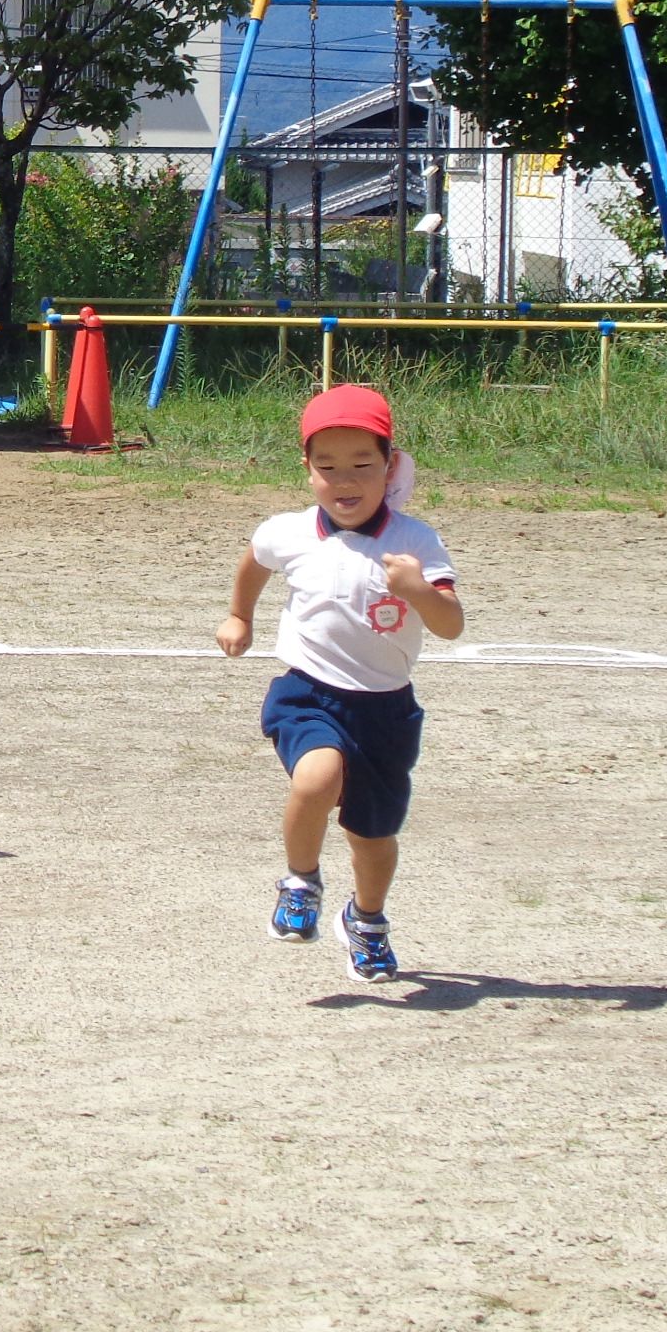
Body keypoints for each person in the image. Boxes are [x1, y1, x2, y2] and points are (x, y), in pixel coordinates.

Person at [215, 385, 464, 982]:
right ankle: (300, 880)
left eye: (362, 466)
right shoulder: (289, 531)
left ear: (390, 466)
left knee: (371, 836)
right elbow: (255, 560)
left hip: (385, 711)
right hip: (307, 693)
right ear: (307, 470)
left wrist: (420, 592)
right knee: (317, 776)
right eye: (327, 467)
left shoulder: (413, 541)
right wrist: (239, 616)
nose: (344, 480)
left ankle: (367, 920)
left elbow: (451, 625)